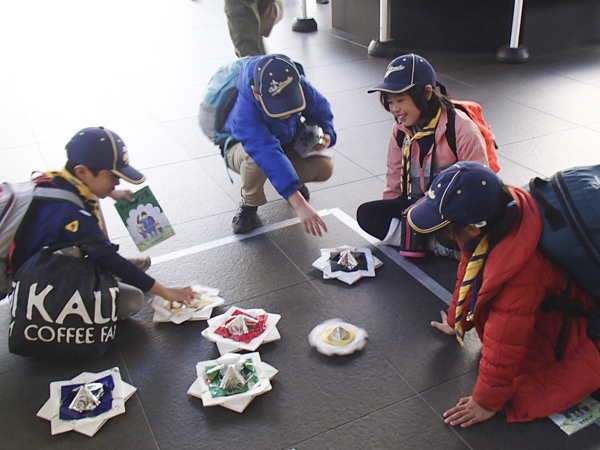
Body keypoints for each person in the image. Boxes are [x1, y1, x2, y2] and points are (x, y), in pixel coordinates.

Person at [406, 161, 600, 427]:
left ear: (473, 228)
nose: (442, 236)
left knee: (541, 383)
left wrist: (486, 401)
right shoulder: (497, 214)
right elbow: (467, 273)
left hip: (575, 325)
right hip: (552, 303)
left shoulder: (519, 270)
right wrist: (456, 320)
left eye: (443, 230)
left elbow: (505, 338)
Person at [10, 126, 195, 320]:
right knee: (133, 300)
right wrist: (166, 292)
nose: (117, 182)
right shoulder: (72, 215)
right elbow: (109, 257)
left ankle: (103, 262)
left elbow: (86, 194)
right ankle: (101, 270)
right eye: (113, 176)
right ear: (82, 171)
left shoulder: (58, 179)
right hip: (36, 283)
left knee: (93, 197)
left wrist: (112, 193)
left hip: (38, 259)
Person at [356, 53, 488, 257]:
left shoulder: (462, 129)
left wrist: (425, 208)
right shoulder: (399, 129)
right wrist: (392, 208)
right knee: (367, 215)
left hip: (449, 208)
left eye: (400, 99)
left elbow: (476, 188)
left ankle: (431, 241)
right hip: (415, 204)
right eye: (390, 101)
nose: (395, 109)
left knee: (468, 230)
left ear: (427, 93)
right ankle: (432, 243)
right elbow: (394, 175)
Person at [223, 53, 336, 235]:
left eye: (290, 105)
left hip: (283, 141)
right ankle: (249, 203)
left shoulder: (296, 82)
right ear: (255, 93)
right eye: (278, 106)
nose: (286, 113)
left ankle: (290, 181)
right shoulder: (244, 111)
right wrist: (298, 203)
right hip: (242, 149)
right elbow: (266, 152)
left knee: (325, 168)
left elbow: (321, 108)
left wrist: (326, 133)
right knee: (256, 160)